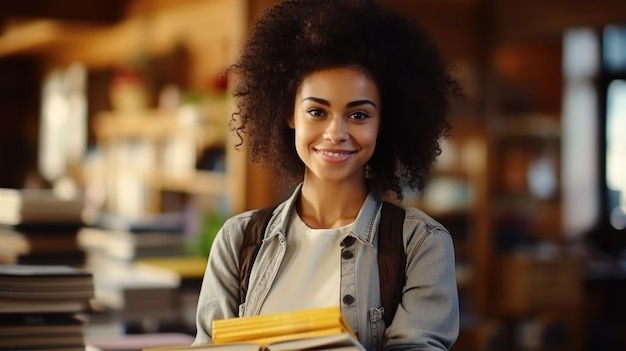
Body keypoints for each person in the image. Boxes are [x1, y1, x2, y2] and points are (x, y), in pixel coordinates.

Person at [193, 0, 461, 349]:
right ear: (290, 115)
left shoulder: (420, 245)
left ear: (383, 124)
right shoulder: (237, 241)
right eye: (317, 111)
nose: (335, 132)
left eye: (359, 115)